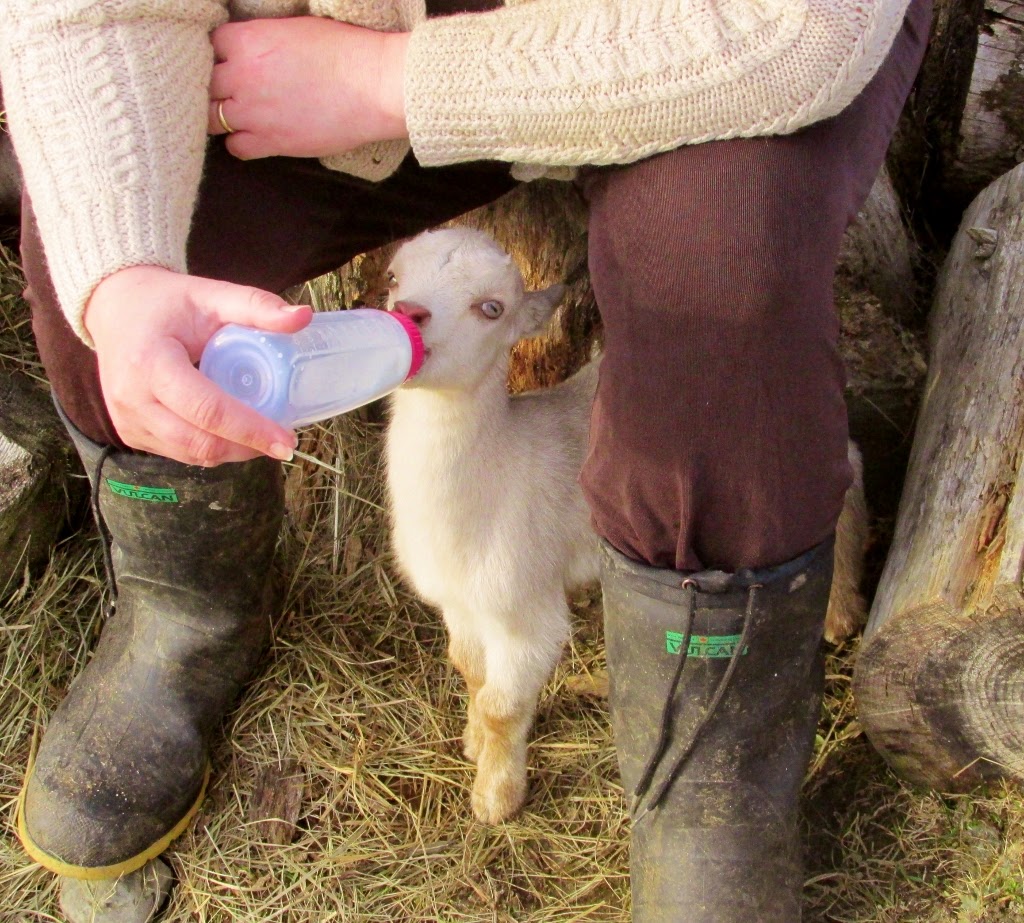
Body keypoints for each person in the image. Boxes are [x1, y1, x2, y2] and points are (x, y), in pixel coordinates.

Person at [0, 0, 932, 920]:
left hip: (717, 42)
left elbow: (800, 24)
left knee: (714, 272)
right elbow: (80, 16)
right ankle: (187, 607)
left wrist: (389, 83)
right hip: (323, 56)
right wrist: (124, 281)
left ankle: (712, 777)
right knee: (105, 238)